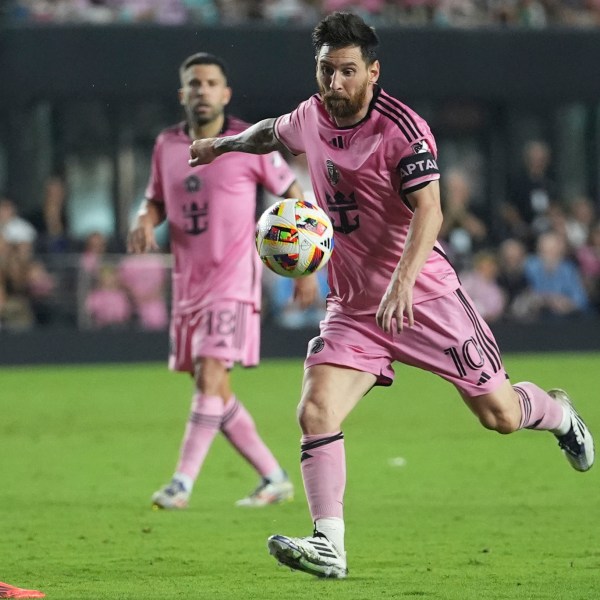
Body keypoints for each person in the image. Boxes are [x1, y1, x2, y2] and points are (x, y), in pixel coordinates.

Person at [187, 12, 594, 578]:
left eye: (347, 71)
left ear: (373, 72)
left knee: (499, 415)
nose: (334, 84)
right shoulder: (310, 116)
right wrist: (224, 145)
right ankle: (329, 543)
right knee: (315, 409)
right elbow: (270, 131)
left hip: (426, 300)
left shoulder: (403, 128)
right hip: (354, 308)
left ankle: (558, 413)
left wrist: (402, 281)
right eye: (326, 70)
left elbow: (431, 209)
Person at [128, 52, 316, 509]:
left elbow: (294, 195)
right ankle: (273, 477)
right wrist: (141, 218)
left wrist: (307, 266)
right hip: (188, 286)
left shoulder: (246, 143)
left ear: (225, 93)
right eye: (194, 83)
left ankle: (181, 483)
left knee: (210, 376)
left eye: (211, 83)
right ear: (183, 94)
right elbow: (155, 199)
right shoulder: (166, 145)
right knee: (215, 388)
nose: (202, 90)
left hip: (233, 280)